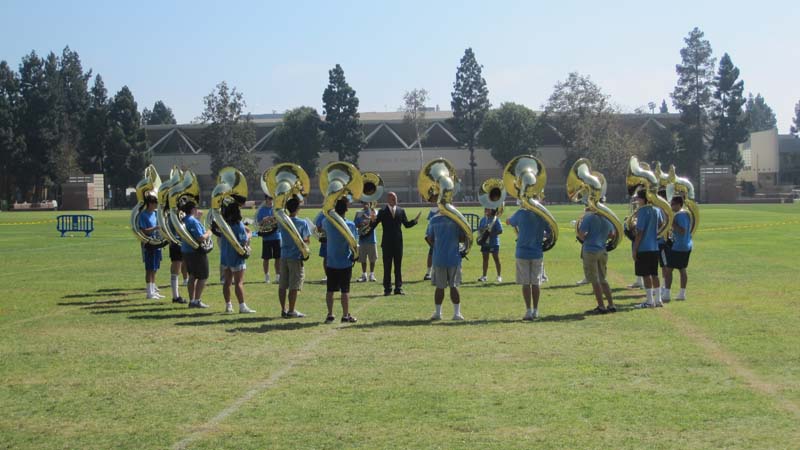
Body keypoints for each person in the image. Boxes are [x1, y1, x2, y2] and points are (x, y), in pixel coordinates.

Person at [368, 191, 420, 296]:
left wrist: (415, 221)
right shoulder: (382, 212)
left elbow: (406, 225)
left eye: (395, 198)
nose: (395, 200)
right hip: (386, 244)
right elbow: (373, 226)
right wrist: (372, 220)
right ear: (388, 199)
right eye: (393, 198)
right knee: (387, 267)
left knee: (398, 267)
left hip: (398, 243)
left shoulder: (401, 211)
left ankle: (398, 288)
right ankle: (387, 289)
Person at [507, 207, 551, 320]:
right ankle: (535, 310)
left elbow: (509, 222)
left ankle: (528, 311)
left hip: (522, 252)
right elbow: (550, 231)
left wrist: (510, 218)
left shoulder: (520, 213)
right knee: (536, 283)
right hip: (537, 252)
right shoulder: (542, 214)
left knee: (525, 283)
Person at [322, 198, 358, 323]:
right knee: (345, 290)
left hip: (331, 261)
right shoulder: (351, 225)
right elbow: (354, 243)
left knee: (330, 290)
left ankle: (330, 314)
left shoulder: (327, 221)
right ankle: (345, 315)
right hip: (345, 261)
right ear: (346, 210)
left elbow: (320, 226)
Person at [426, 210, 466, 320]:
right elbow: (463, 238)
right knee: (454, 286)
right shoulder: (456, 219)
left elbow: (429, 238)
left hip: (439, 258)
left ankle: (438, 313)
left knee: (440, 287)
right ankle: (457, 313)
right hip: (454, 258)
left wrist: (438, 247)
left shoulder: (433, 219)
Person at [578, 207, 617, 314]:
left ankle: (601, 306)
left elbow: (580, 234)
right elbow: (612, 234)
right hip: (602, 251)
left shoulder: (589, 217)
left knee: (594, 280)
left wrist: (588, 238)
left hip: (590, 250)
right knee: (603, 279)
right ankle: (611, 304)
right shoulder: (608, 219)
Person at [220, 203, 256, 314]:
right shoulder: (238, 224)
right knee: (239, 282)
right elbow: (244, 241)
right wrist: (249, 234)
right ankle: (242, 306)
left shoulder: (223, 224)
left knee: (227, 282)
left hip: (225, 256)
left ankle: (228, 306)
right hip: (236, 257)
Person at [278, 198, 311, 318]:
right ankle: (291, 310)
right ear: (297, 209)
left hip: (284, 255)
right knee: (294, 285)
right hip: (296, 257)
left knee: (282, 284)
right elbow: (306, 240)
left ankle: (283, 309)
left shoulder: (283, 221)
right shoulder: (302, 223)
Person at [632, 190, 665, 308]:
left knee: (646, 275)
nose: (637, 201)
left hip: (644, 248)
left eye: (638, 198)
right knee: (654, 274)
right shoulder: (656, 209)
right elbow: (661, 224)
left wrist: (634, 249)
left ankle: (650, 301)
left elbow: (640, 232)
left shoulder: (641, 211)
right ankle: (658, 299)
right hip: (654, 246)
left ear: (644, 199)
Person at [181, 201, 212, 308]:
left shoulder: (184, 220)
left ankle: (192, 300)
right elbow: (200, 237)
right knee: (203, 276)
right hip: (196, 252)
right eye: (196, 208)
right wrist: (209, 232)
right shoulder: (192, 221)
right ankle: (197, 300)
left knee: (192, 276)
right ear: (192, 209)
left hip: (186, 251)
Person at [663, 196, 692, 301]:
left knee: (668, 270)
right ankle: (682, 294)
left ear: (679, 204)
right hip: (686, 245)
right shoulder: (684, 214)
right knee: (682, 269)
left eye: (673, 204)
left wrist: (671, 222)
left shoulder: (680, 215)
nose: (671, 206)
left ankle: (666, 294)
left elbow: (682, 230)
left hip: (679, 246)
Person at [139, 194, 164, 300]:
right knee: (149, 268)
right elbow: (143, 230)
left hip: (157, 243)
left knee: (155, 268)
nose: (156, 205)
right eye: (155, 203)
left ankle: (153, 290)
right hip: (149, 243)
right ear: (150, 203)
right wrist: (155, 228)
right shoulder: (143, 215)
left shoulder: (155, 214)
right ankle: (149, 292)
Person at [256, 194, 281, 284]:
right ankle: (267, 276)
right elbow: (258, 224)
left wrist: (274, 218)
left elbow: (281, 220)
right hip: (266, 237)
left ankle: (278, 276)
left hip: (277, 236)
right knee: (266, 258)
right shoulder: (262, 210)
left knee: (278, 258)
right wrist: (264, 220)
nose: (271, 200)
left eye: (272, 199)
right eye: (269, 199)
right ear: (266, 199)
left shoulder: (276, 209)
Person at [354, 202, 378, 282]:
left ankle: (372, 274)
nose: (365, 204)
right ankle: (364, 275)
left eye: (366, 202)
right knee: (362, 258)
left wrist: (367, 217)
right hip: (362, 239)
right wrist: (360, 224)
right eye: (363, 202)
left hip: (371, 239)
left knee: (372, 258)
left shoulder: (374, 212)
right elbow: (355, 225)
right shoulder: (358, 213)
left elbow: (375, 222)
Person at [477, 208, 503, 283]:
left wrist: (491, 234)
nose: (485, 210)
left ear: (492, 210)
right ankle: (484, 276)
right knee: (485, 259)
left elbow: (500, 230)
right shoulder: (483, 220)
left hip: (494, 242)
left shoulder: (496, 219)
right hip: (485, 242)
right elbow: (479, 229)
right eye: (485, 209)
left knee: (496, 259)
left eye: (488, 209)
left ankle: (499, 276)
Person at [167, 223, 187, 304]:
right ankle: (175, 296)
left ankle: (176, 295)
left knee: (177, 268)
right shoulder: (173, 215)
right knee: (176, 268)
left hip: (178, 241)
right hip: (176, 242)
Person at [423, 204, 439, 281]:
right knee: (432, 253)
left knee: (432, 253)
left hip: (438, 234)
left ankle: (429, 272)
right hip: (435, 235)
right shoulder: (434, 209)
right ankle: (429, 272)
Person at [314, 210, 328, 282]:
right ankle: (327, 276)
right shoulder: (322, 214)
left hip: (335, 238)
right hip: (325, 239)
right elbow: (318, 227)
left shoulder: (336, 212)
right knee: (326, 257)